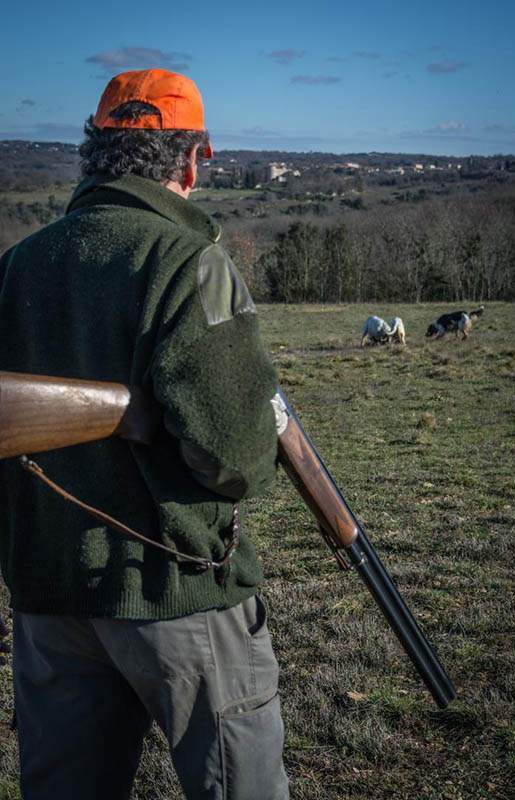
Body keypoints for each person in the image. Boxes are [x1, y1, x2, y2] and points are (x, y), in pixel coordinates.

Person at [0, 69, 289, 800]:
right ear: (193, 160)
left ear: (93, 152)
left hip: (48, 595)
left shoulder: (16, 266)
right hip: (176, 593)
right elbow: (237, 459)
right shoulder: (187, 261)